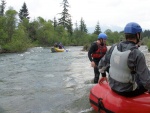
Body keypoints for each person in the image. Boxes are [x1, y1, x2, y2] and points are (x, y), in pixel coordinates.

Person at [99, 22, 150, 97]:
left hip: (112, 86)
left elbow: (101, 64)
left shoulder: (114, 47)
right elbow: (146, 82)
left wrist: (103, 75)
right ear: (137, 35)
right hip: (127, 91)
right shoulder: (137, 54)